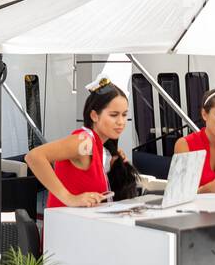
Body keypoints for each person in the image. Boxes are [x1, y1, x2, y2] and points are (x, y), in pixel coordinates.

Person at [25, 80, 139, 208]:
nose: (121, 122)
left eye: (124, 115)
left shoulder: (100, 148)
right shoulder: (85, 142)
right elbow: (34, 156)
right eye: (114, 115)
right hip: (66, 224)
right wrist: (69, 198)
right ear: (94, 116)